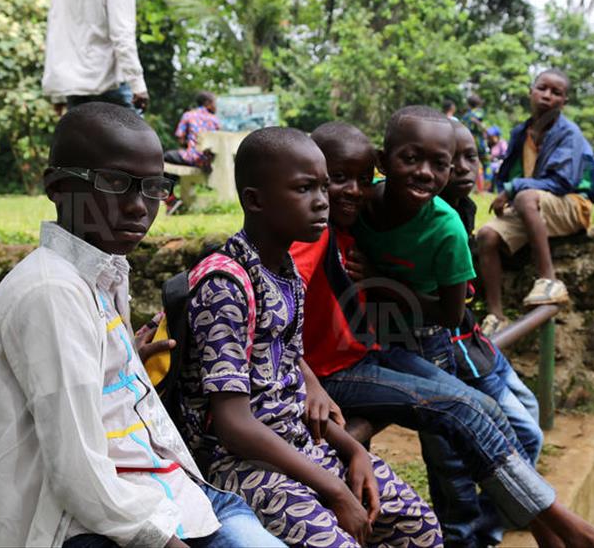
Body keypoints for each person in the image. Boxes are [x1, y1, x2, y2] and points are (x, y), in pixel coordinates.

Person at [300, 112, 594, 547]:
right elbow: (276, 313)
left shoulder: (369, 224)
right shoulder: (313, 233)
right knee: (457, 421)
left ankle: (548, 528)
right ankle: (570, 531)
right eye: (335, 179)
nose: (353, 191)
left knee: (482, 407)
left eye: (362, 179)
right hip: (336, 370)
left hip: (373, 350)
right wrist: (307, 380)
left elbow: (445, 310)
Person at [0, 103, 282, 548]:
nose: (140, 206)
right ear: (58, 187)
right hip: (94, 527)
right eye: (115, 184)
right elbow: (76, 472)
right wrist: (166, 543)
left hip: (178, 497)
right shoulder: (51, 292)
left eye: (154, 187)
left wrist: (120, 366)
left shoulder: (101, 273)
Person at [178, 127, 442, 547]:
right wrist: (335, 490)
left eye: (323, 186)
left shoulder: (286, 274)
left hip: (300, 447)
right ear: (255, 200)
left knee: (418, 526)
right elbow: (233, 425)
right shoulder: (224, 283)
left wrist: (354, 451)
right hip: (243, 466)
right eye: (304, 188)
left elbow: (292, 390)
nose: (323, 200)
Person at [417, 121, 544, 546]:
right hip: (446, 358)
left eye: (472, 156)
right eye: (453, 160)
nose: (466, 167)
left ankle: (497, 519)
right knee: (452, 464)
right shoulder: (422, 221)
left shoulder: (463, 209)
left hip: (476, 346)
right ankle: (481, 532)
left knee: (527, 430)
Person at [477, 69, 594, 337]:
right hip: (535, 204)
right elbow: (513, 176)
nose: (547, 96)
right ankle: (496, 315)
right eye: (542, 89)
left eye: (556, 93)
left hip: (572, 203)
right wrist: (510, 189)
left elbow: (561, 182)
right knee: (486, 235)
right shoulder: (521, 132)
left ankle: (549, 280)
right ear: (531, 92)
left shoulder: (568, 133)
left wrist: (513, 189)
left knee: (525, 197)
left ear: (564, 101)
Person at [163, 91, 221, 215]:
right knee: (174, 159)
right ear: (207, 104)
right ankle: (173, 199)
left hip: (193, 158)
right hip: (208, 162)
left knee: (166, 157)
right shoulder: (215, 120)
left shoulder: (188, 115)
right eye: (214, 103)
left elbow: (180, 137)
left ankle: (170, 198)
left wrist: (188, 144)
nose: (216, 106)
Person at [461, 95, 488, 192]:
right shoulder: (479, 112)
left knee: (470, 163)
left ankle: (472, 187)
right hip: (479, 142)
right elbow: (482, 125)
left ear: (468, 104)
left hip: (467, 142)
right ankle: (482, 188)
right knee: (484, 164)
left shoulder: (465, 116)